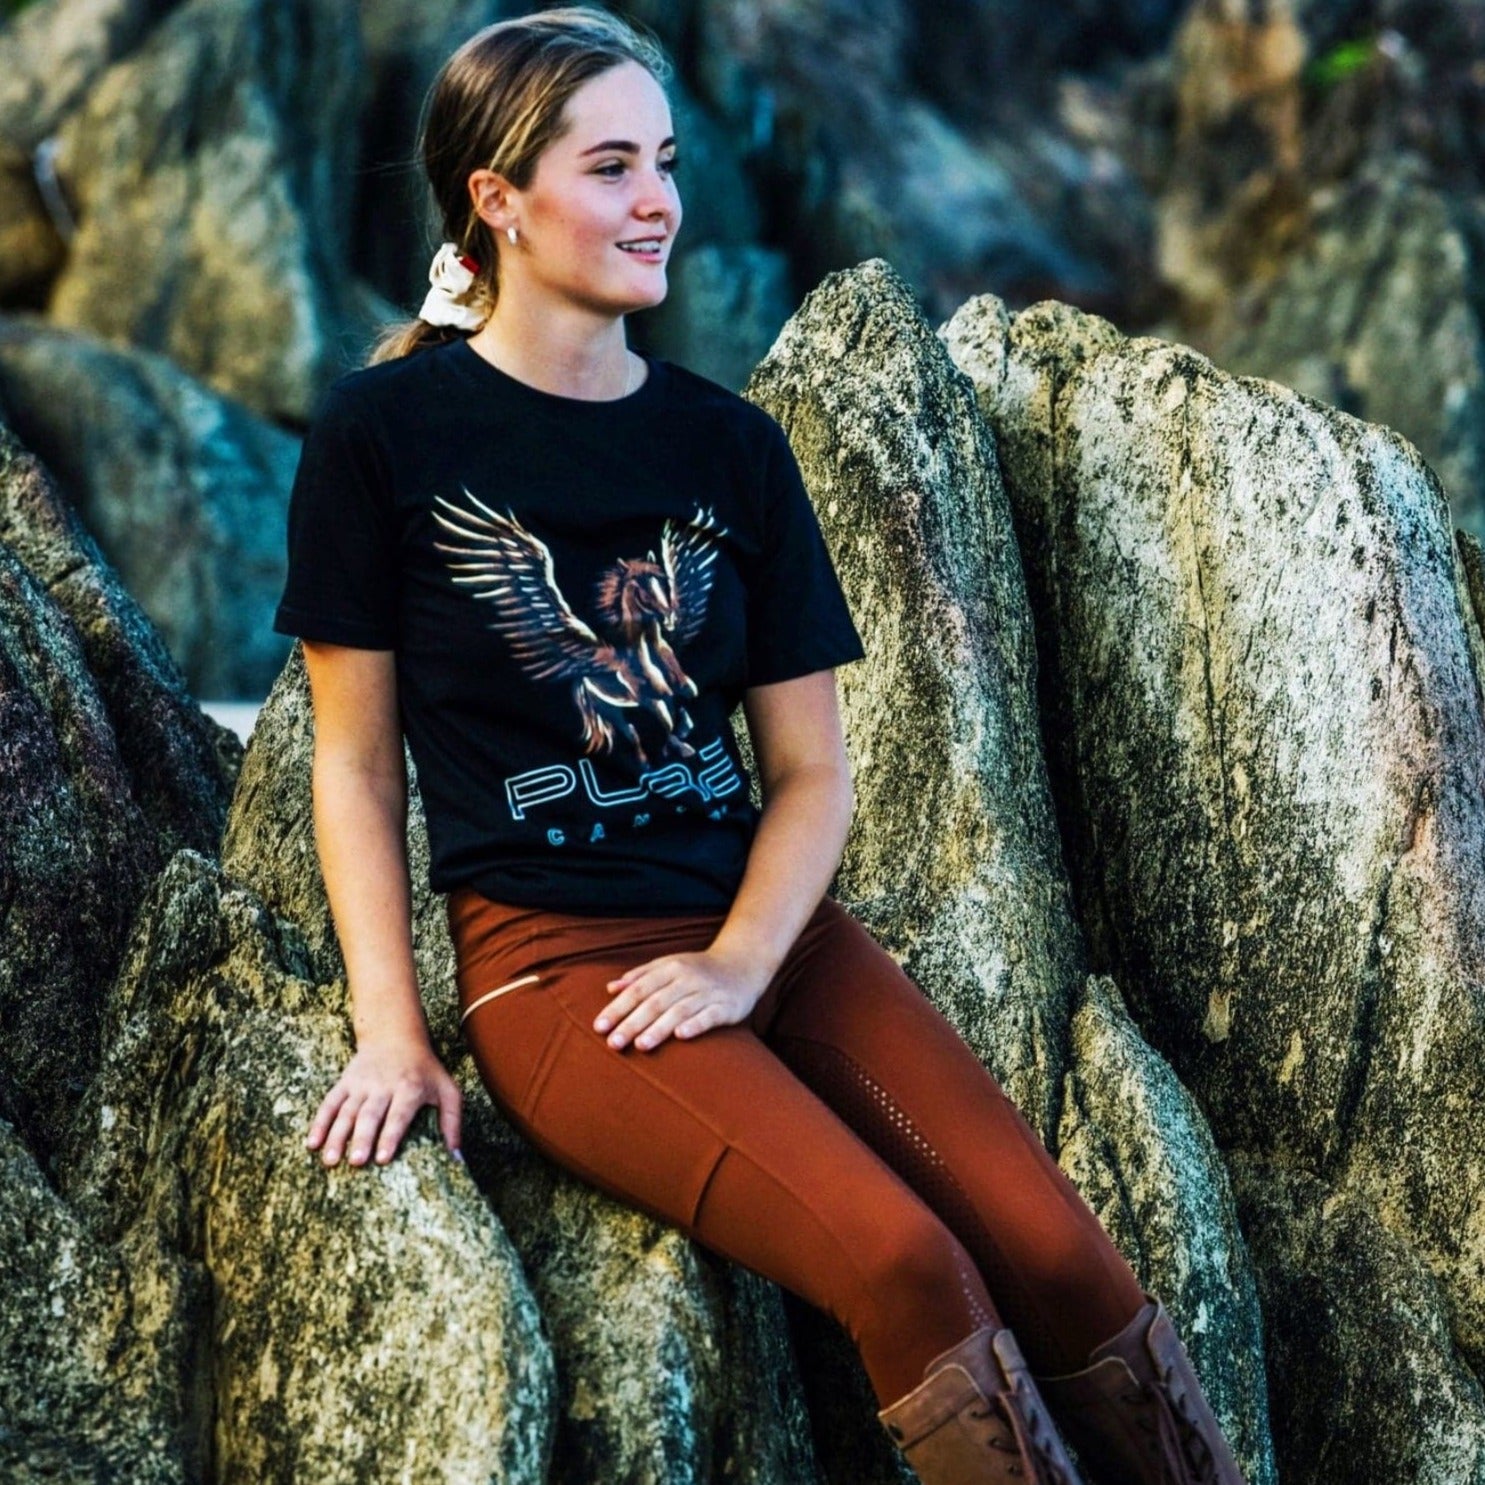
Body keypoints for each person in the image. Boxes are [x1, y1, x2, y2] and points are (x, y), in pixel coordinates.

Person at [273, 8, 1246, 1482]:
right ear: (497, 198)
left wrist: (740, 959)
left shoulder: (729, 447)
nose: (657, 199)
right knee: (904, 1260)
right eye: (609, 167)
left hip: (772, 937)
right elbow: (352, 761)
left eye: (663, 161)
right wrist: (395, 1034)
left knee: (1060, 1255)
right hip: (561, 972)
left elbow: (810, 773)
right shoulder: (385, 437)